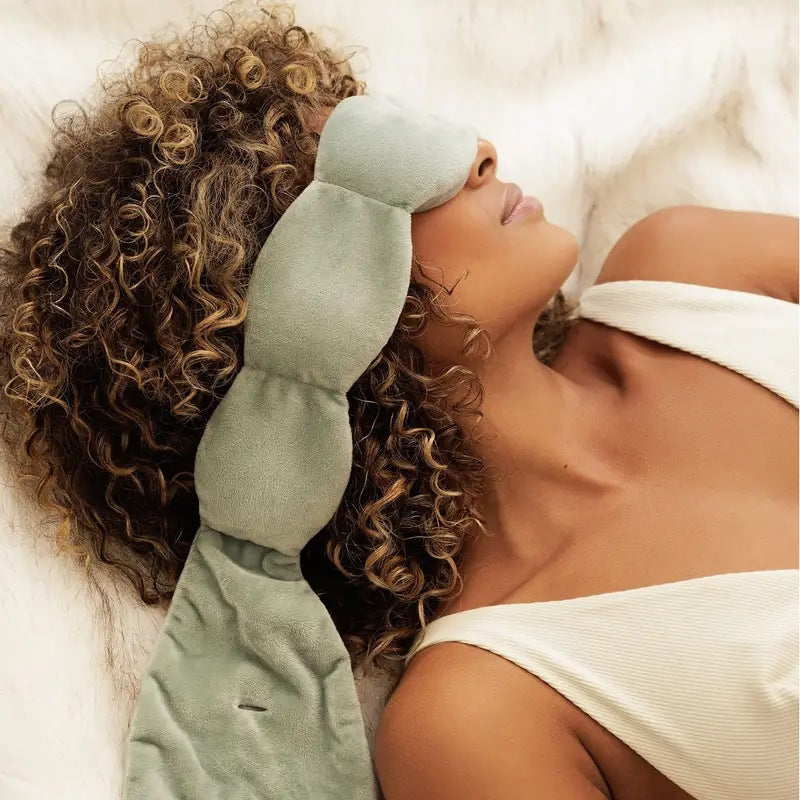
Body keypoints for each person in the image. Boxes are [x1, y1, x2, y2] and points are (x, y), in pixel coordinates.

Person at [0, 2, 796, 799]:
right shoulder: (480, 717)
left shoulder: (696, 273)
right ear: (304, 319)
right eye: (382, 170)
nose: (476, 153)